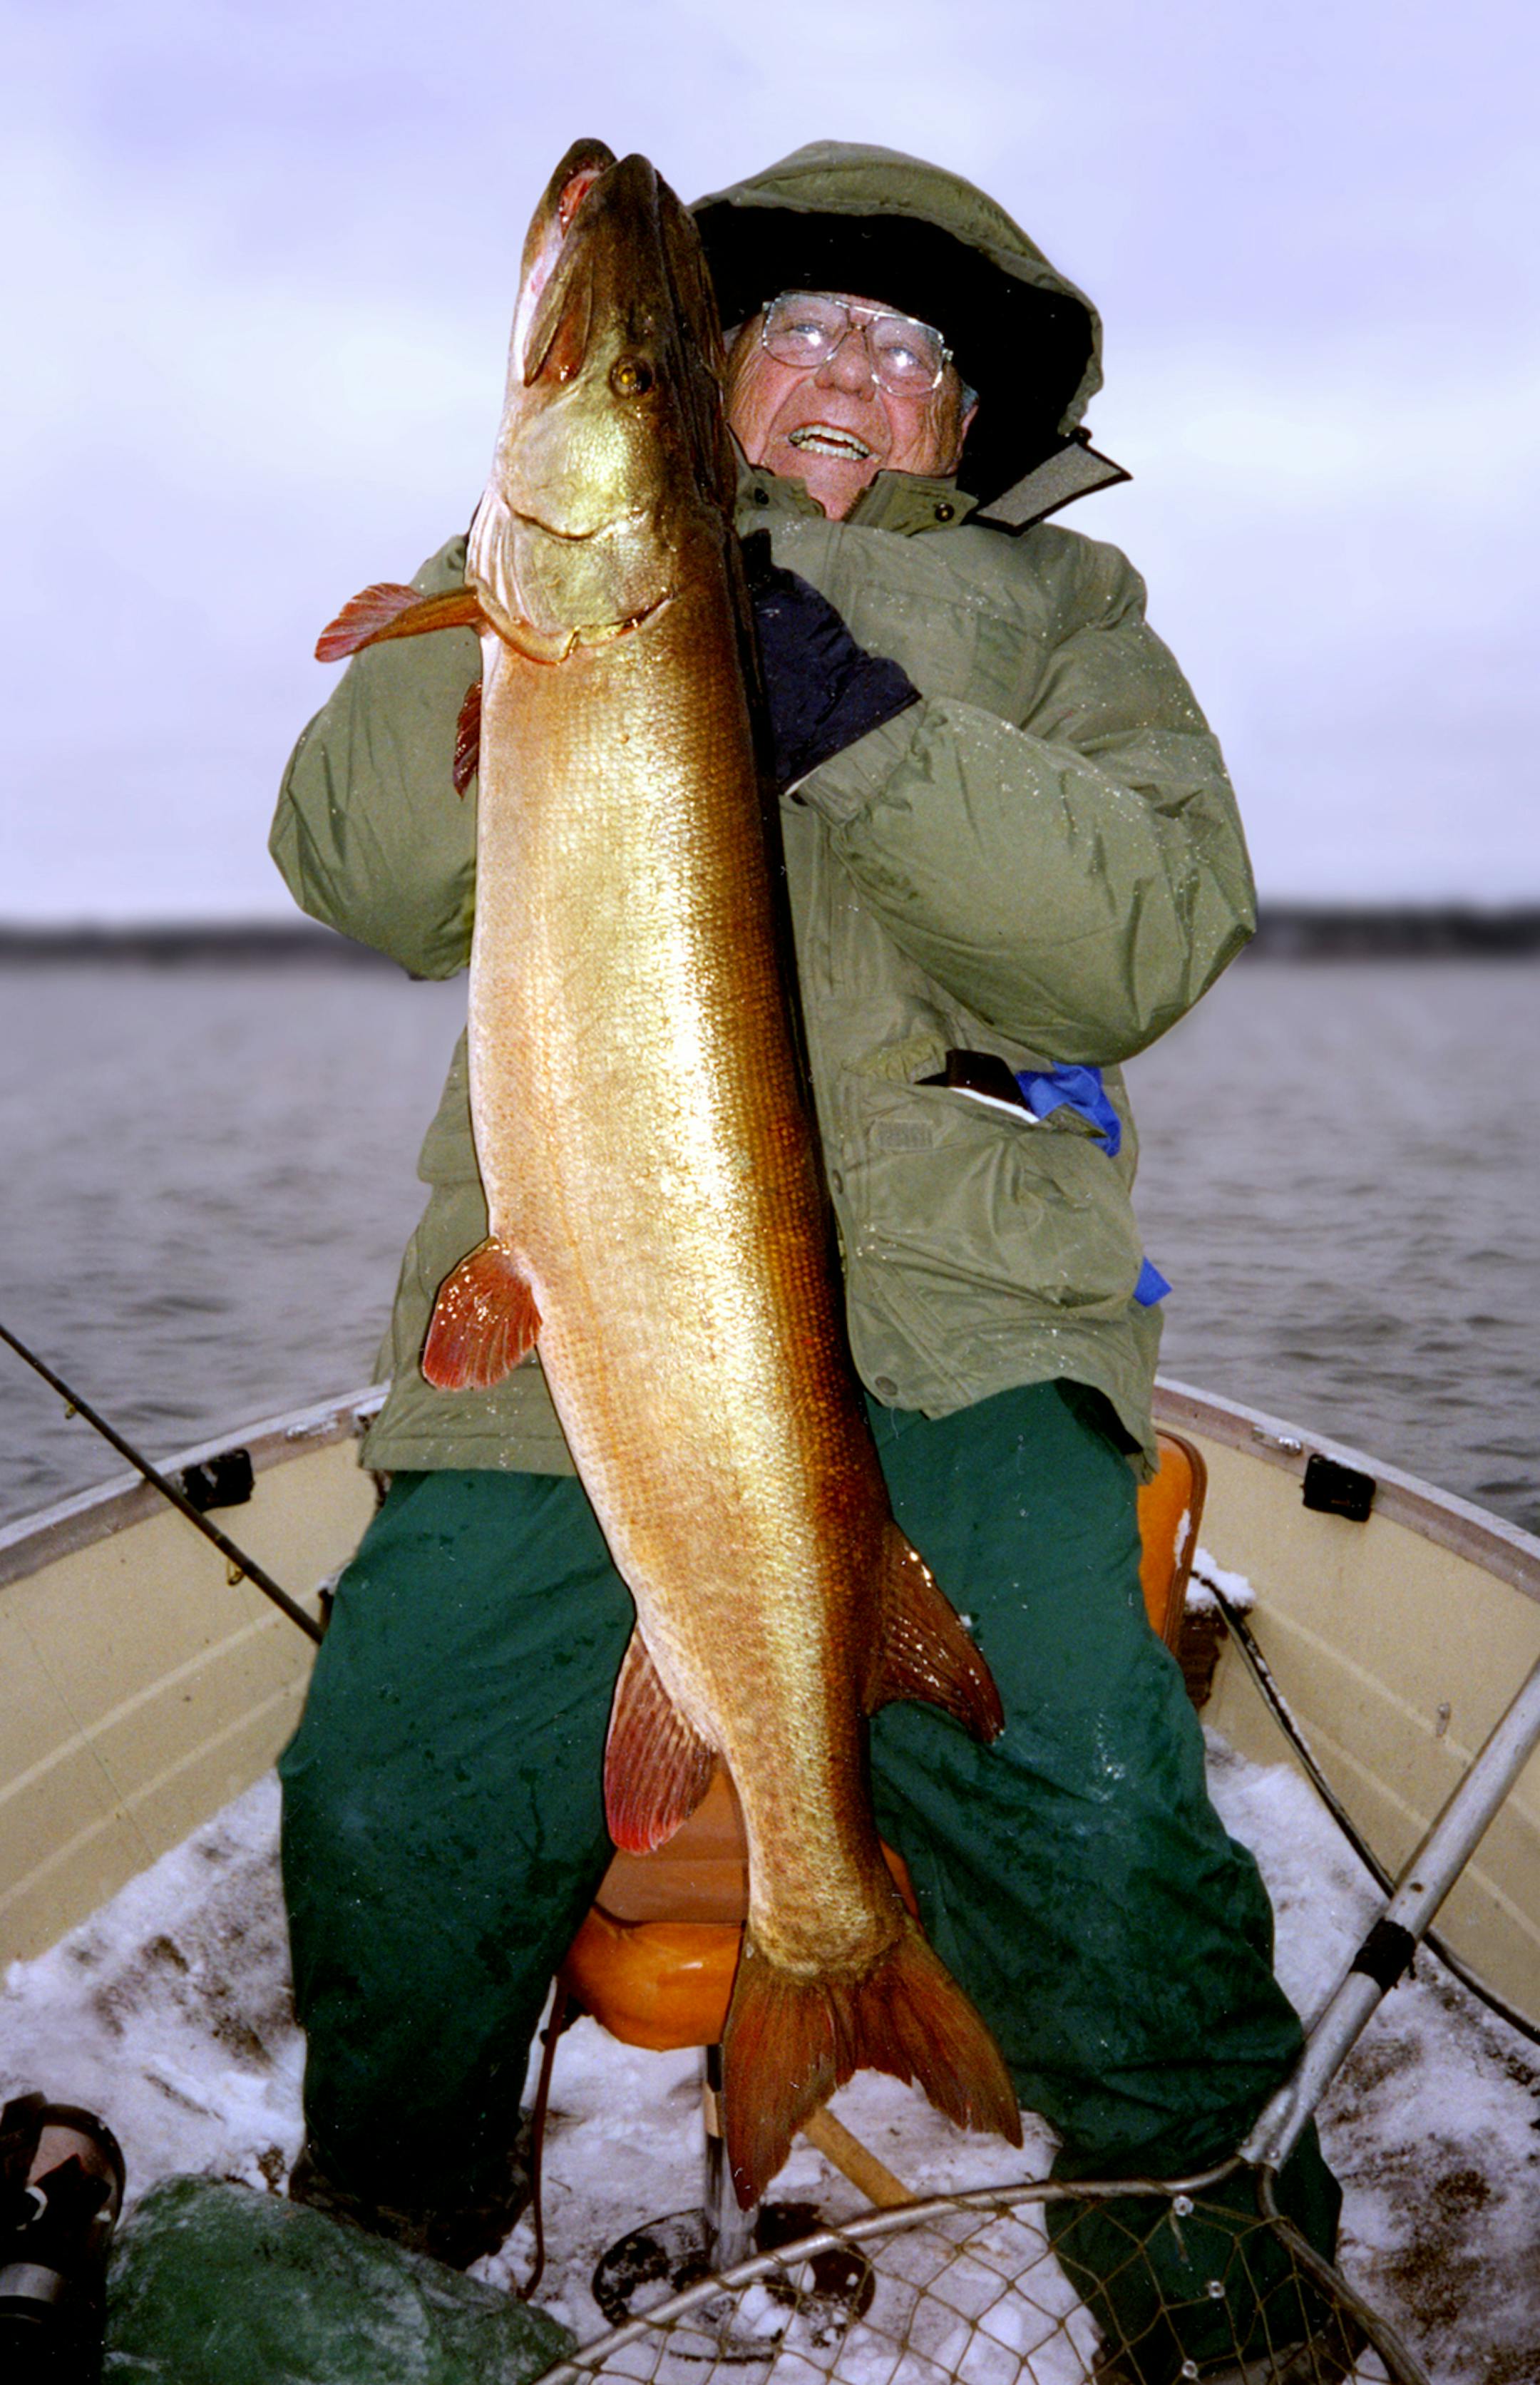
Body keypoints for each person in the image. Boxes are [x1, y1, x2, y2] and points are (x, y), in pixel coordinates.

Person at [271, 142, 1341, 2381]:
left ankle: (1228, 2293)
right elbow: (360, 864)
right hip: (556, 1345)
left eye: (914, 350)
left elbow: (1147, 930)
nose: (858, 377)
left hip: (963, 1330)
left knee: (1104, 1809)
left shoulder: (1073, 623)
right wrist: (530, 594)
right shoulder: (542, 570)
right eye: (804, 334)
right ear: (712, 387)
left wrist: (863, 724)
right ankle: (400, 2217)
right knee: (390, 1784)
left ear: (974, 420)